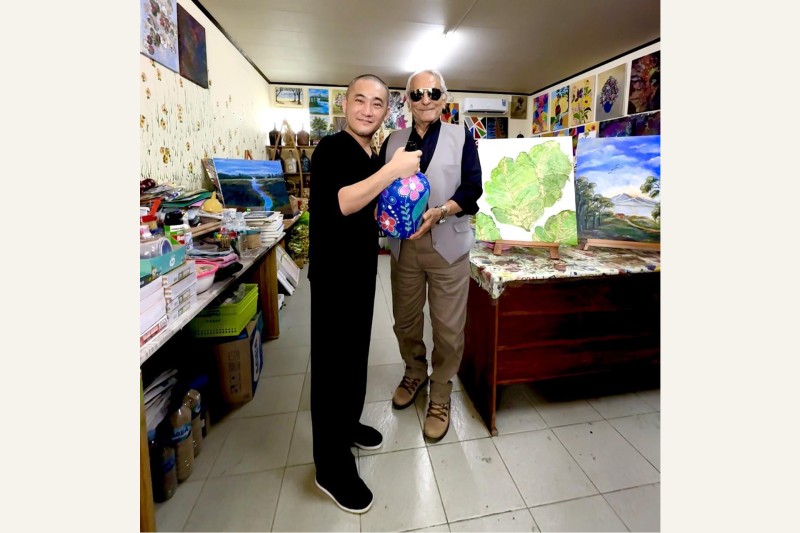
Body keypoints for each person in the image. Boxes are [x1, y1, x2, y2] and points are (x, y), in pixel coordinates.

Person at [307, 74, 422, 514]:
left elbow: (372, 207)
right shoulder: (332, 149)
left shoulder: (370, 153)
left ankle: (347, 424)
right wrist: (394, 170)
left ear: (385, 111)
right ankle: (330, 466)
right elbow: (344, 202)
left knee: (355, 356)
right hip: (334, 276)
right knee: (332, 367)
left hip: (360, 270)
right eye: (360, 100)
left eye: (377, 103)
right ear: (345, 104)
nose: (368, 110)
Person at [378, 69, 483, 440]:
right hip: (404, 248)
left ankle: (440, 390)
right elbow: (379, 190)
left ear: (444, 97)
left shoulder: (461, 136)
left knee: (448, 328)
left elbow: (473, 188)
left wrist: (441, 210)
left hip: (448, 247)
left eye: (433, 92)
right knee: (405, 321)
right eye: (417, 93)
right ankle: (414, 371)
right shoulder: (392, 141)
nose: (425, 99)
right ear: (407, 99)